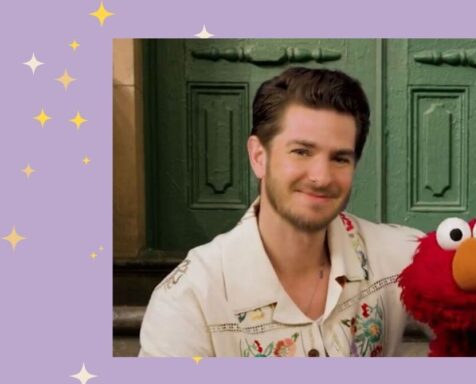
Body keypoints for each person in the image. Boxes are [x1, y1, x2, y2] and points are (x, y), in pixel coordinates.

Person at [139, 67, 425, 357]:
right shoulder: (189, 300)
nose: (321, 176)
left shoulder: (399, 258)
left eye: (340, 158)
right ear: (258, 156)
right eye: (301, 151)